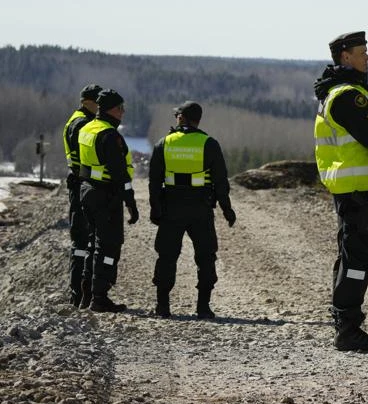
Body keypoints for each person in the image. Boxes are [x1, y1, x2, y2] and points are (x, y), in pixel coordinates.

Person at [313, 31, 368, 351]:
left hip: (353, 188)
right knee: (356, 258)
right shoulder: (348, 96)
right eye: (362, 52)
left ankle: (346, 324)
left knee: (351, 254)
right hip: (358, 189)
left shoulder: (342, 91)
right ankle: (348, 328)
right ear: (346, 57)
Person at [148, 101, 237, 319]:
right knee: (206, 256)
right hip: (201, 208)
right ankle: (203, 307)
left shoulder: (164, 143)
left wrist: (155, 208)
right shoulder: (209, 144)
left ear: (181, 118)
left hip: (171, 207)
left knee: (167, 256)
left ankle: (162, 306)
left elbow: (154, 181)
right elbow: (220, 182)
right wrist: (227, 209)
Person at [78, 88, 139, 313]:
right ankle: (100, 297)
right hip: (106, 195)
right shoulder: (110, 135)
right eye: (120, 108)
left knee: (93, 244)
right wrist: (131, 203)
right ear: (110, 109)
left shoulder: (87, 129)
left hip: (87, 191)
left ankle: (87, 294)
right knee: (109, 247)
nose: (123, 112)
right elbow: (120, 175)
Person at [62, 83, 103, 308]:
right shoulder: (81, 124)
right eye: (98, 103)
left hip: (79, 184)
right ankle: (78, 293)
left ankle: (80, 292)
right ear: (88, 102)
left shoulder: (78, 119)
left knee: (82, 240)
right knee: (81, 241)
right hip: (81, 185)